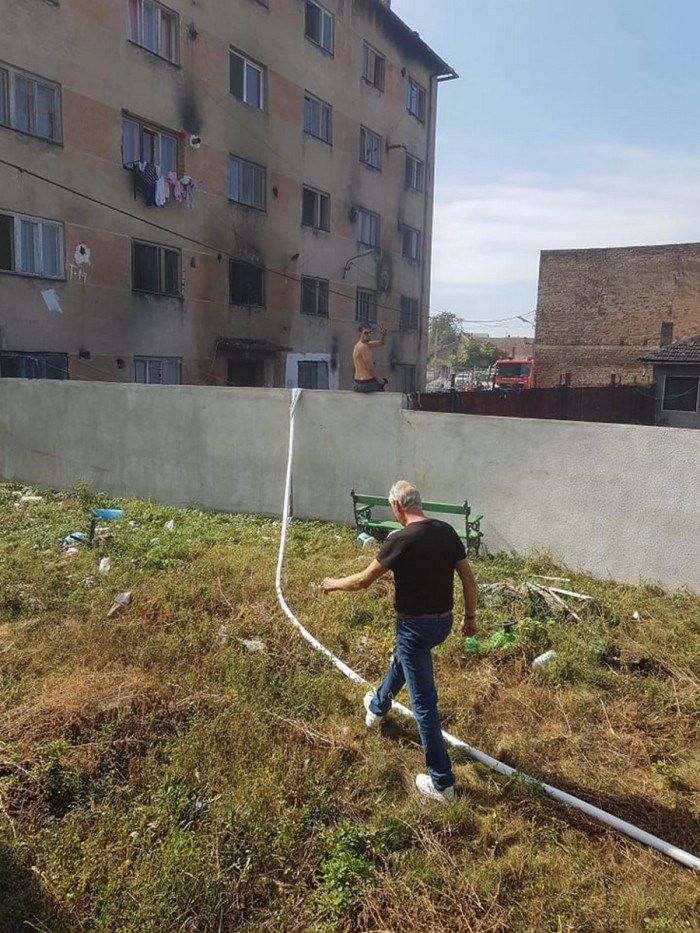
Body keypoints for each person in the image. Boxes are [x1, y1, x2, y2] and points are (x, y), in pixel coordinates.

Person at [321, 480, 477, 802]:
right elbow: (467, 577)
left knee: (424, 705)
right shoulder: (446, 532)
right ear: (419, 502)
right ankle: (377, 708)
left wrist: (333, 583)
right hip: (443, 624)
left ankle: (442, 784)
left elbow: (363, 580)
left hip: (414, 628)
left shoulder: (400, 540)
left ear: (396, 507)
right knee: (404, 660)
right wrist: (470, 617)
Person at [353, 324, 388, 392]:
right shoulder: (363, 347)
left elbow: (381, 343)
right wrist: (381, 381)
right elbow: (370, 368)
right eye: (366, 333)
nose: (369, 335)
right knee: (382, 394)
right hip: (366, 383)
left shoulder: (360, 345)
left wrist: (383, 335)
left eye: (370, 332)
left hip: (357, 383)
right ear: (360, 334)